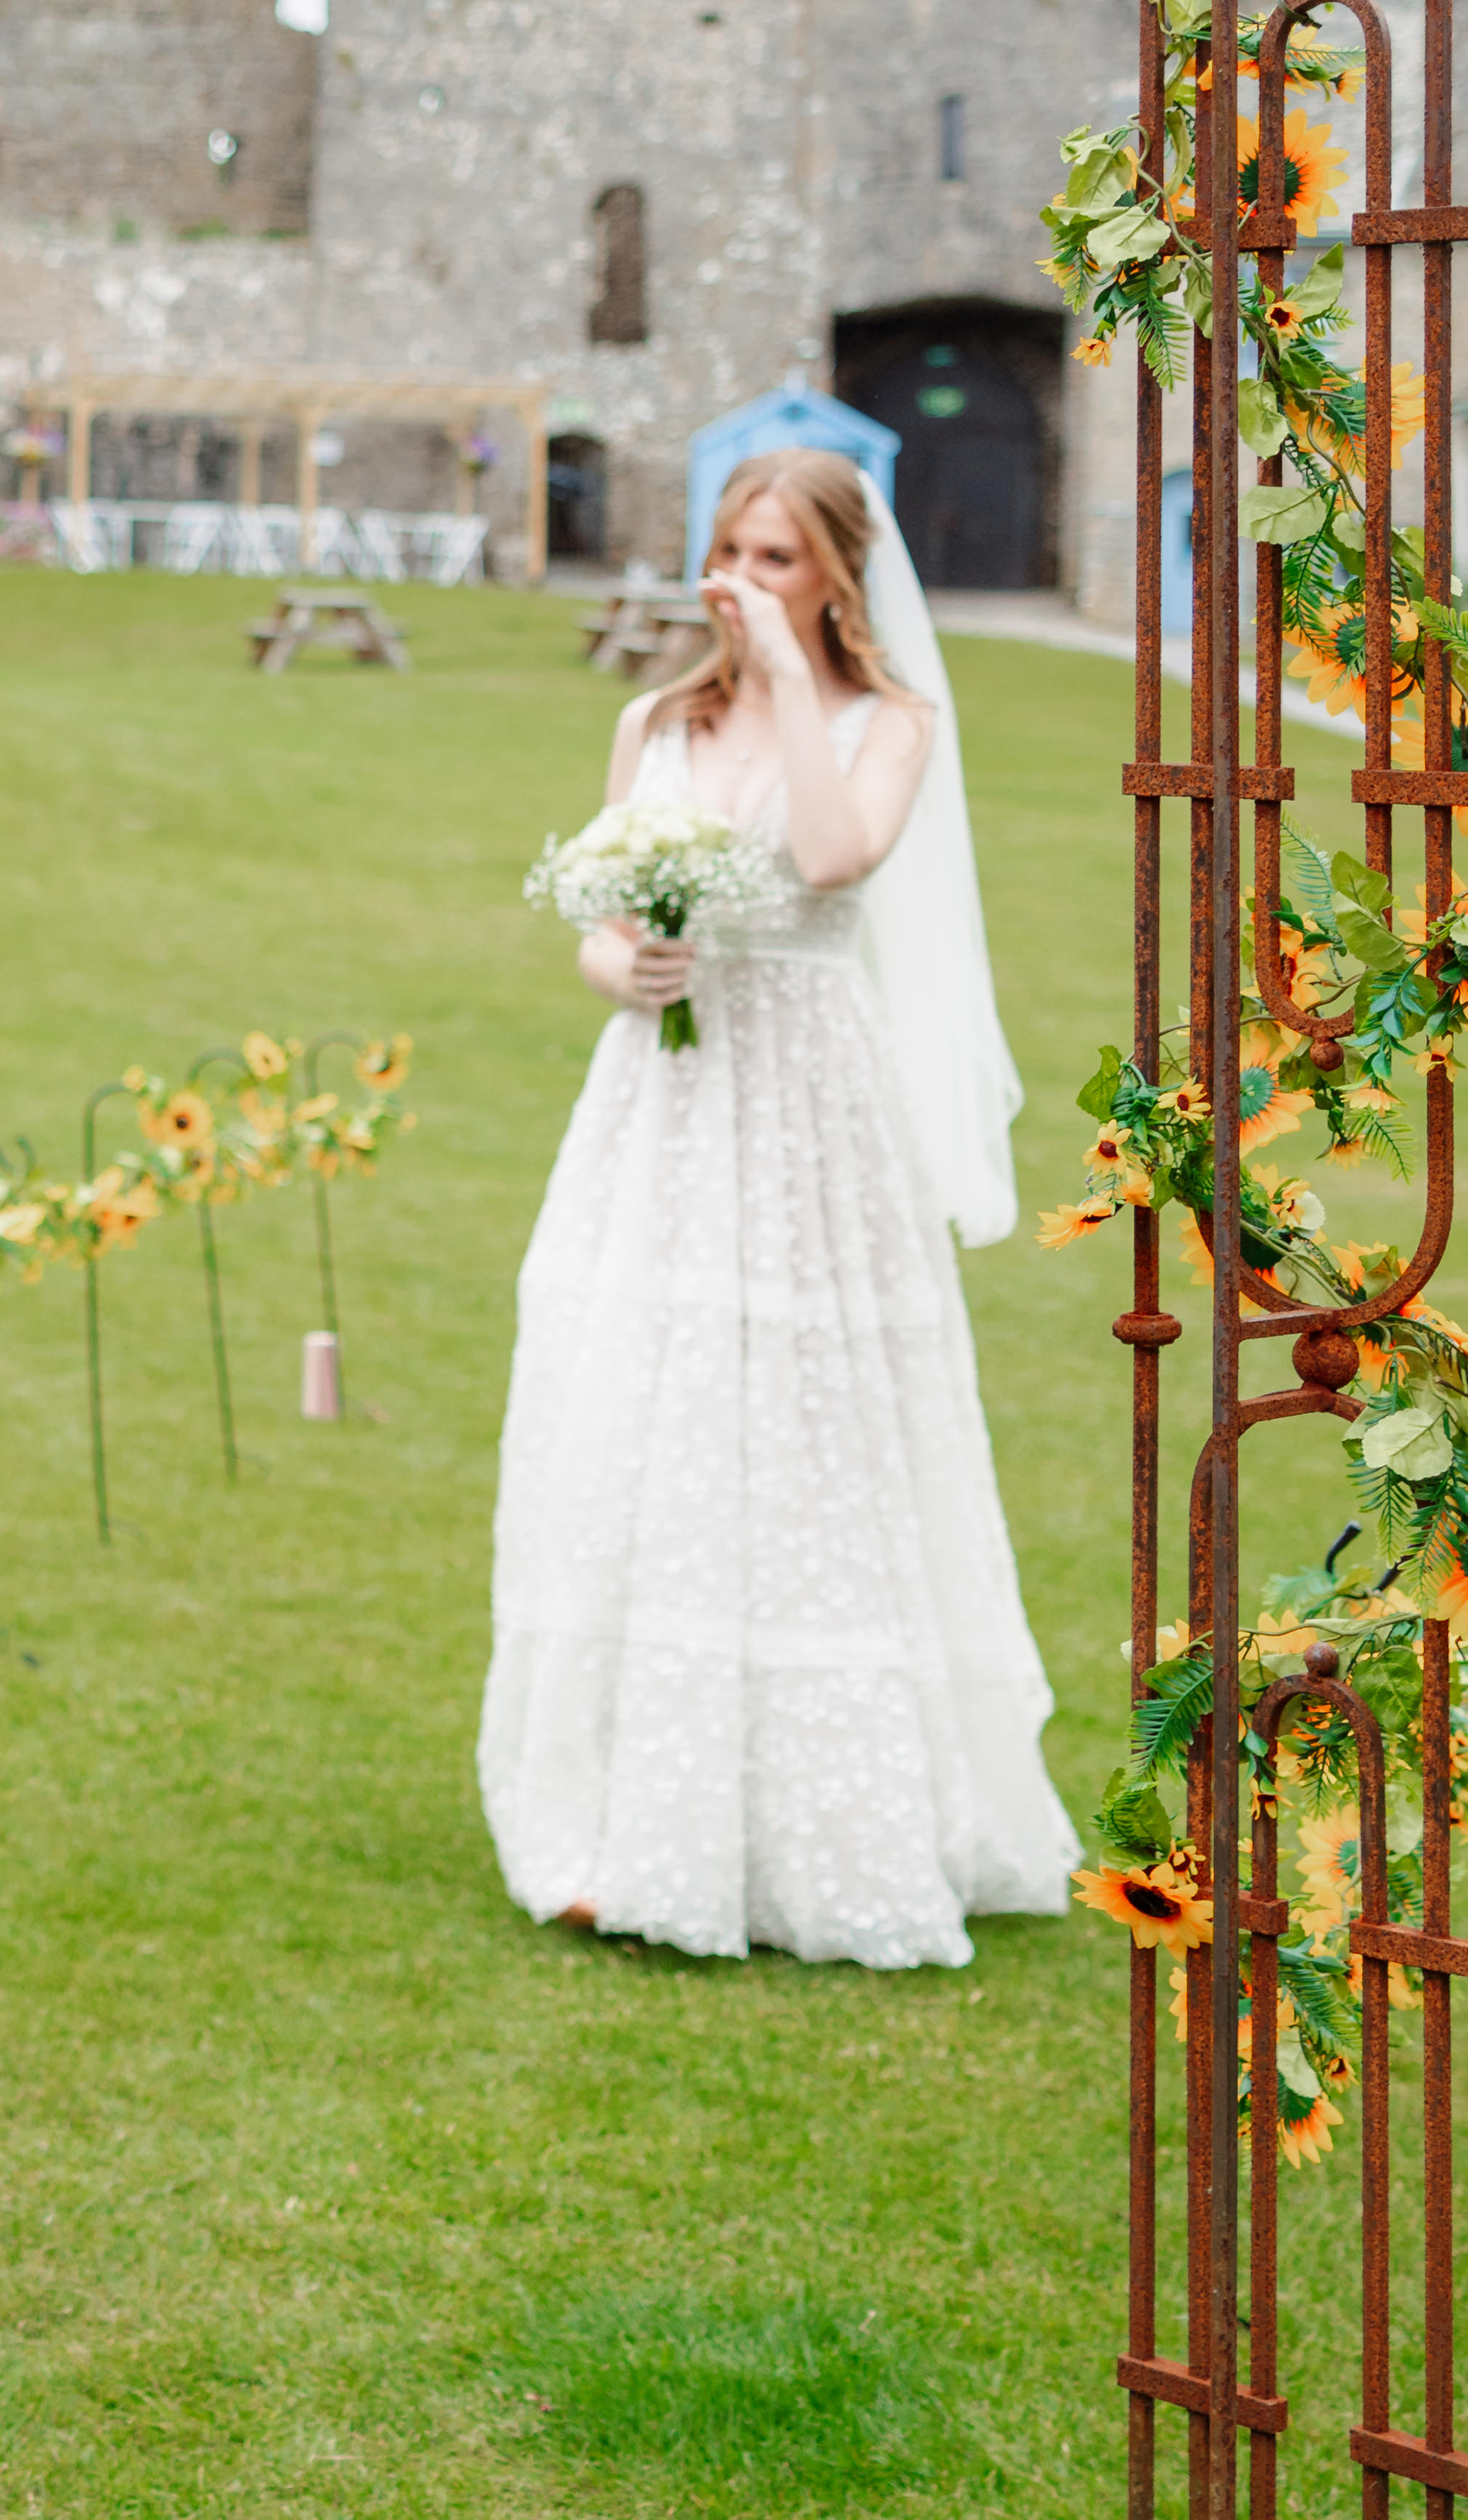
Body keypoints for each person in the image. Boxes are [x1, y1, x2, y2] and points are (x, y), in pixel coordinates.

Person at [476, 445, 1079, 1970]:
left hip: (810, 1111)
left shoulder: (895, 724)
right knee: (641, 1418)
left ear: (838, 576)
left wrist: (796, 685)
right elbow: (604, 930)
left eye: (782, 559)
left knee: (804, 1433)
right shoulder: (653, 723)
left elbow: (828, 856)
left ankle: (827, 1820)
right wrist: (633, 970)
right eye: (733, 553)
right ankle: (630, 1821)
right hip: (663, 1108)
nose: (747, 584)